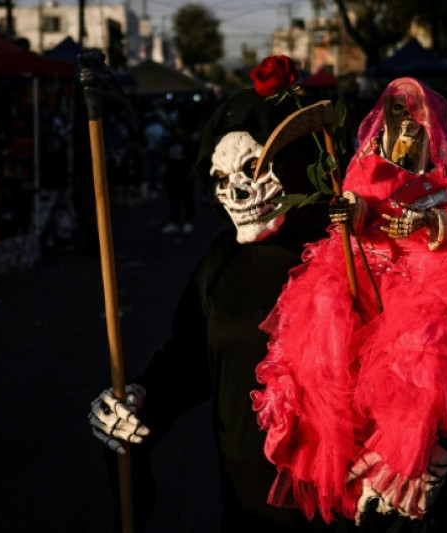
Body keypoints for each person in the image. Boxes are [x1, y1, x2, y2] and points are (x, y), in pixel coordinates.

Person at [250, 78, 447, 529]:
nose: (405, 124)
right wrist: (350, 210)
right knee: (324, 320)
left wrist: (427, 220)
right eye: (397, 113)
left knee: (431, 345)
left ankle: (407, 463)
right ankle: (343, 457)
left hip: (428, 275)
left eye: (413, 115)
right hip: (366, 269)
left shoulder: (442, 172)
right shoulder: (368, 165)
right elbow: (358, 199)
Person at [88, 56, 340, 531]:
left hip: (343, 507)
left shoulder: (351, 250)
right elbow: (190, 357)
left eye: (253, 168)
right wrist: (139, 398)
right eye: (221, 179)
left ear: (293, 162)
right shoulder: (222, 261)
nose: (236, 193)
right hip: (248, 506)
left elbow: (418, 366)